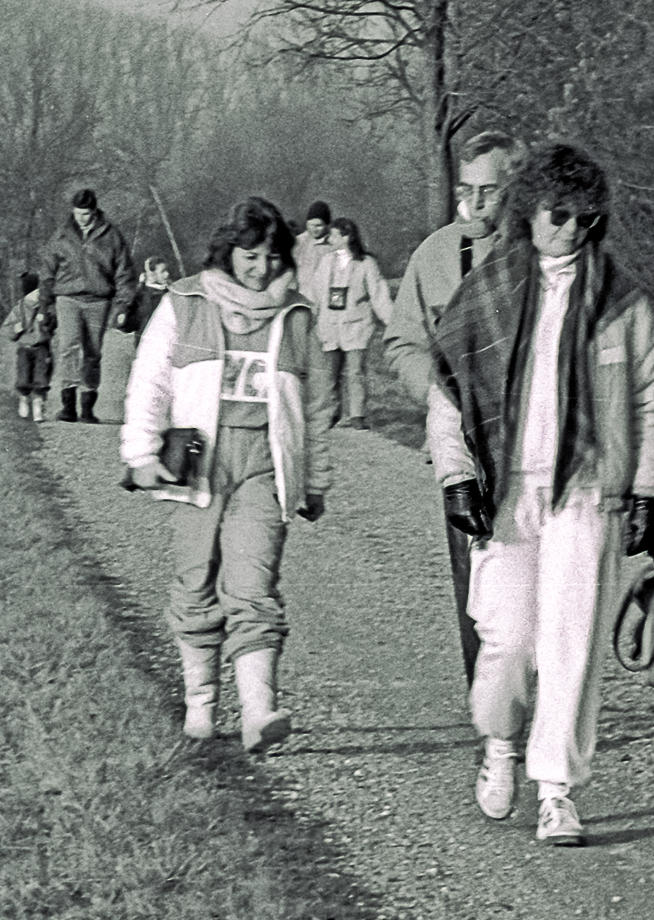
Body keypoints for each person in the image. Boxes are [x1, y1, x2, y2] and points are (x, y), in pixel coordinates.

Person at [424, 144, 654, 846]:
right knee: (506, 638)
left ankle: (557, 790)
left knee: (572, 638)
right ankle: (499, 742)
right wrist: (457, 475)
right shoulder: (488, 290)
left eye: (585, 218)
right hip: (508, 489)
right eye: (558, 214)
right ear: (530, 210)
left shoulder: (622, 301)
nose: (570, 229)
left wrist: (650, 490)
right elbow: (449, 392)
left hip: (587, 490)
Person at [120, 197, 331, 755]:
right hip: (199, 464)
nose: (261, 268)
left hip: (264, 467)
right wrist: (141, 453)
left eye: (272, 256)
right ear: (228, 252)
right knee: (196, 580)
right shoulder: (185, 301)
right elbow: (150, 380)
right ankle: (202, 706)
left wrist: (314, 481)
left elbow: (315, 408)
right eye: (249, 255)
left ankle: (259, 711)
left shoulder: (297, 315)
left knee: (252, 585)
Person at [385, 131, 522, 682]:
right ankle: (487, 707)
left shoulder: (545, 251)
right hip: (465, 454)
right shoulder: (436, 254)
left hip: (537, 449)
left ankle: (545, 709)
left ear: (516, 187)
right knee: (479, 590)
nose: (475, 203)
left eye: (489, 190)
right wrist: (441, 393)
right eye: (466, 190)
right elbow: (402, 342)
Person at [40, 187, 141, 423]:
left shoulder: (111, 236)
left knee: (93, 352)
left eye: (86, 214)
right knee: (69, 346)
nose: (81, 218)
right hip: (68, 298)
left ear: (94, 211)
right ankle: (68, 405)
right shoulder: (61, 235)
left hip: (98, 300)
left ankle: (87, 406)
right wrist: (45, 304)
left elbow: (124, 272)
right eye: (77, 213)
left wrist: (123, 305)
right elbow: (47, 272)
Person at [306, 208, 398, 428]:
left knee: (356, 371)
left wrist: (393, 323)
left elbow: (378, 295)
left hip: (357, 326)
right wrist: (308, 318)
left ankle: (357, 415)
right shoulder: (326, 261)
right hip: (329, 325)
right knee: (330, 373)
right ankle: (331, 412)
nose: (330, 239)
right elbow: (315, 293)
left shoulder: (366, 263)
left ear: (346, 237)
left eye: (334, 235)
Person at [0, 270, 55, 423]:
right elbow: (7, 329)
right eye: (33, 293)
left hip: (42, 347)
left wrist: (47, 324)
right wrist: (15, 330)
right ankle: (24, 399)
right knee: (23, 378)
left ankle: (38, 405)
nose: (36, 296)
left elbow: (54, 323)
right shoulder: (19, 308)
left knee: (41, 378)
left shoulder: (46, 307)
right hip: (24, 348)